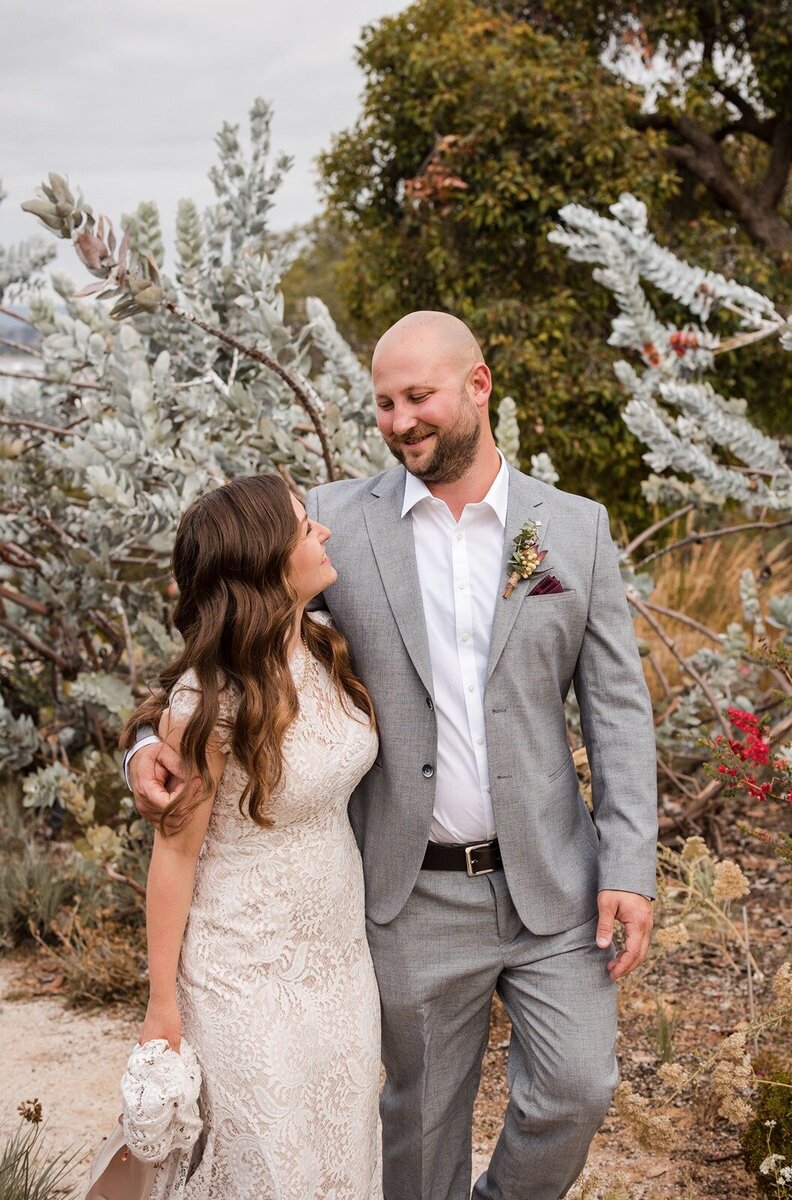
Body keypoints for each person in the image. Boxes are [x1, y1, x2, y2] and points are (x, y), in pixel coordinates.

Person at [128, 311, 658, 1200]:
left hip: (558, 886)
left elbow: (618, 712)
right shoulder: (331, 524)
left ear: (478, 386)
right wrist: (147, 740)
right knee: (417, 1124)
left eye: (419, 397)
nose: (400, 420)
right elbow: (231, 640)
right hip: (410, 893)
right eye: (383, 403)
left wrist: (631, 865)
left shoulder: (574, 531)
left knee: (578, 1088)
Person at [122, 473, 382, 1199]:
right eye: (305, 530)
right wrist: (162, 1004)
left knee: (342, 1150)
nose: (323, 533)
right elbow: (172, 857)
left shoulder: (329, 651)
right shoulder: (208, 702)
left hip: (338, 962)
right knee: (267, 1164)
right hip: (241, 967)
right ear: (265, 562)